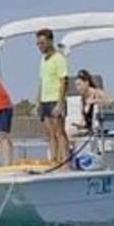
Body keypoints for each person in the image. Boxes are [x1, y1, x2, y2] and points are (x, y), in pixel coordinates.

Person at [35, 28, 69, 165]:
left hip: (55, 99)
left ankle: (64, 160)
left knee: (59, 132)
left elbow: (64, 80)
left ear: (50, 41)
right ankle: (53, 159)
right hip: (45, 100)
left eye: (42, 43)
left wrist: (60, 103)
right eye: (38, 44)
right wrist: (38, 102)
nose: (40, 46)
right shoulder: (43, 60)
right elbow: (42, 81)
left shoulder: (58, 58)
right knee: (49, 133)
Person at [75, 69, 112, 134]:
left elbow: (109, 101)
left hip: (98, 129)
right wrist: (80, 124)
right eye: (76, 85)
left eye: (79, 85)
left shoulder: (97, 92)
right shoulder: (83, 97)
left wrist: (94, 101)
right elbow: (84, 115)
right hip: (88, 129)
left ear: (86, 83)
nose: (77, 88)